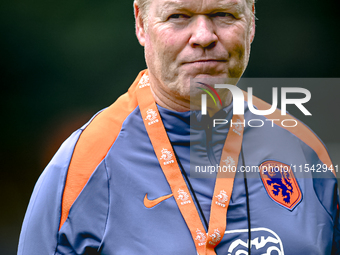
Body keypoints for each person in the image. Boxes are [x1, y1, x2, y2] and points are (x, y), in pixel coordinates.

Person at [18, 0, 340, 254]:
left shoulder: (307, 150)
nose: (203, 37)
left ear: (252, 21)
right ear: (141, 23)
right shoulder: (81, 166)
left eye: (224, 14)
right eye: (178, 16)